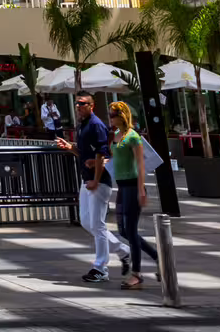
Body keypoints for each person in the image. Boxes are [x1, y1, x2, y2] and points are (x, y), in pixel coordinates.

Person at [56, 93, 127, 283]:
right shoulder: (83, 126)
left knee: (97, 224)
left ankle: (100, 268)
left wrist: (96, 180)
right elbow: (84, 153)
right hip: (86, 180)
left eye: (82, 104)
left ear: (92, 106)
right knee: (87, 222)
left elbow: (101, 156)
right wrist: (70, 147)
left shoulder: (96, 125)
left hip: (99, 181)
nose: (78, 106)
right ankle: (124, 251)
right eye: (77, 103)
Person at [108, 101, 156, 288]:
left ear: (122, 115)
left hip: (132, 186)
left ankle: (136, 273)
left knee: (131, 230)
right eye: (110, 115)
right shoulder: (116, 136)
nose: (110, 118)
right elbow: (117, 159)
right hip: (121, 187)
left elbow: (140, 164)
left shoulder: (132, 137)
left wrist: (141, 189)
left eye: (113, 115)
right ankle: (156, 257)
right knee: (123, 230)